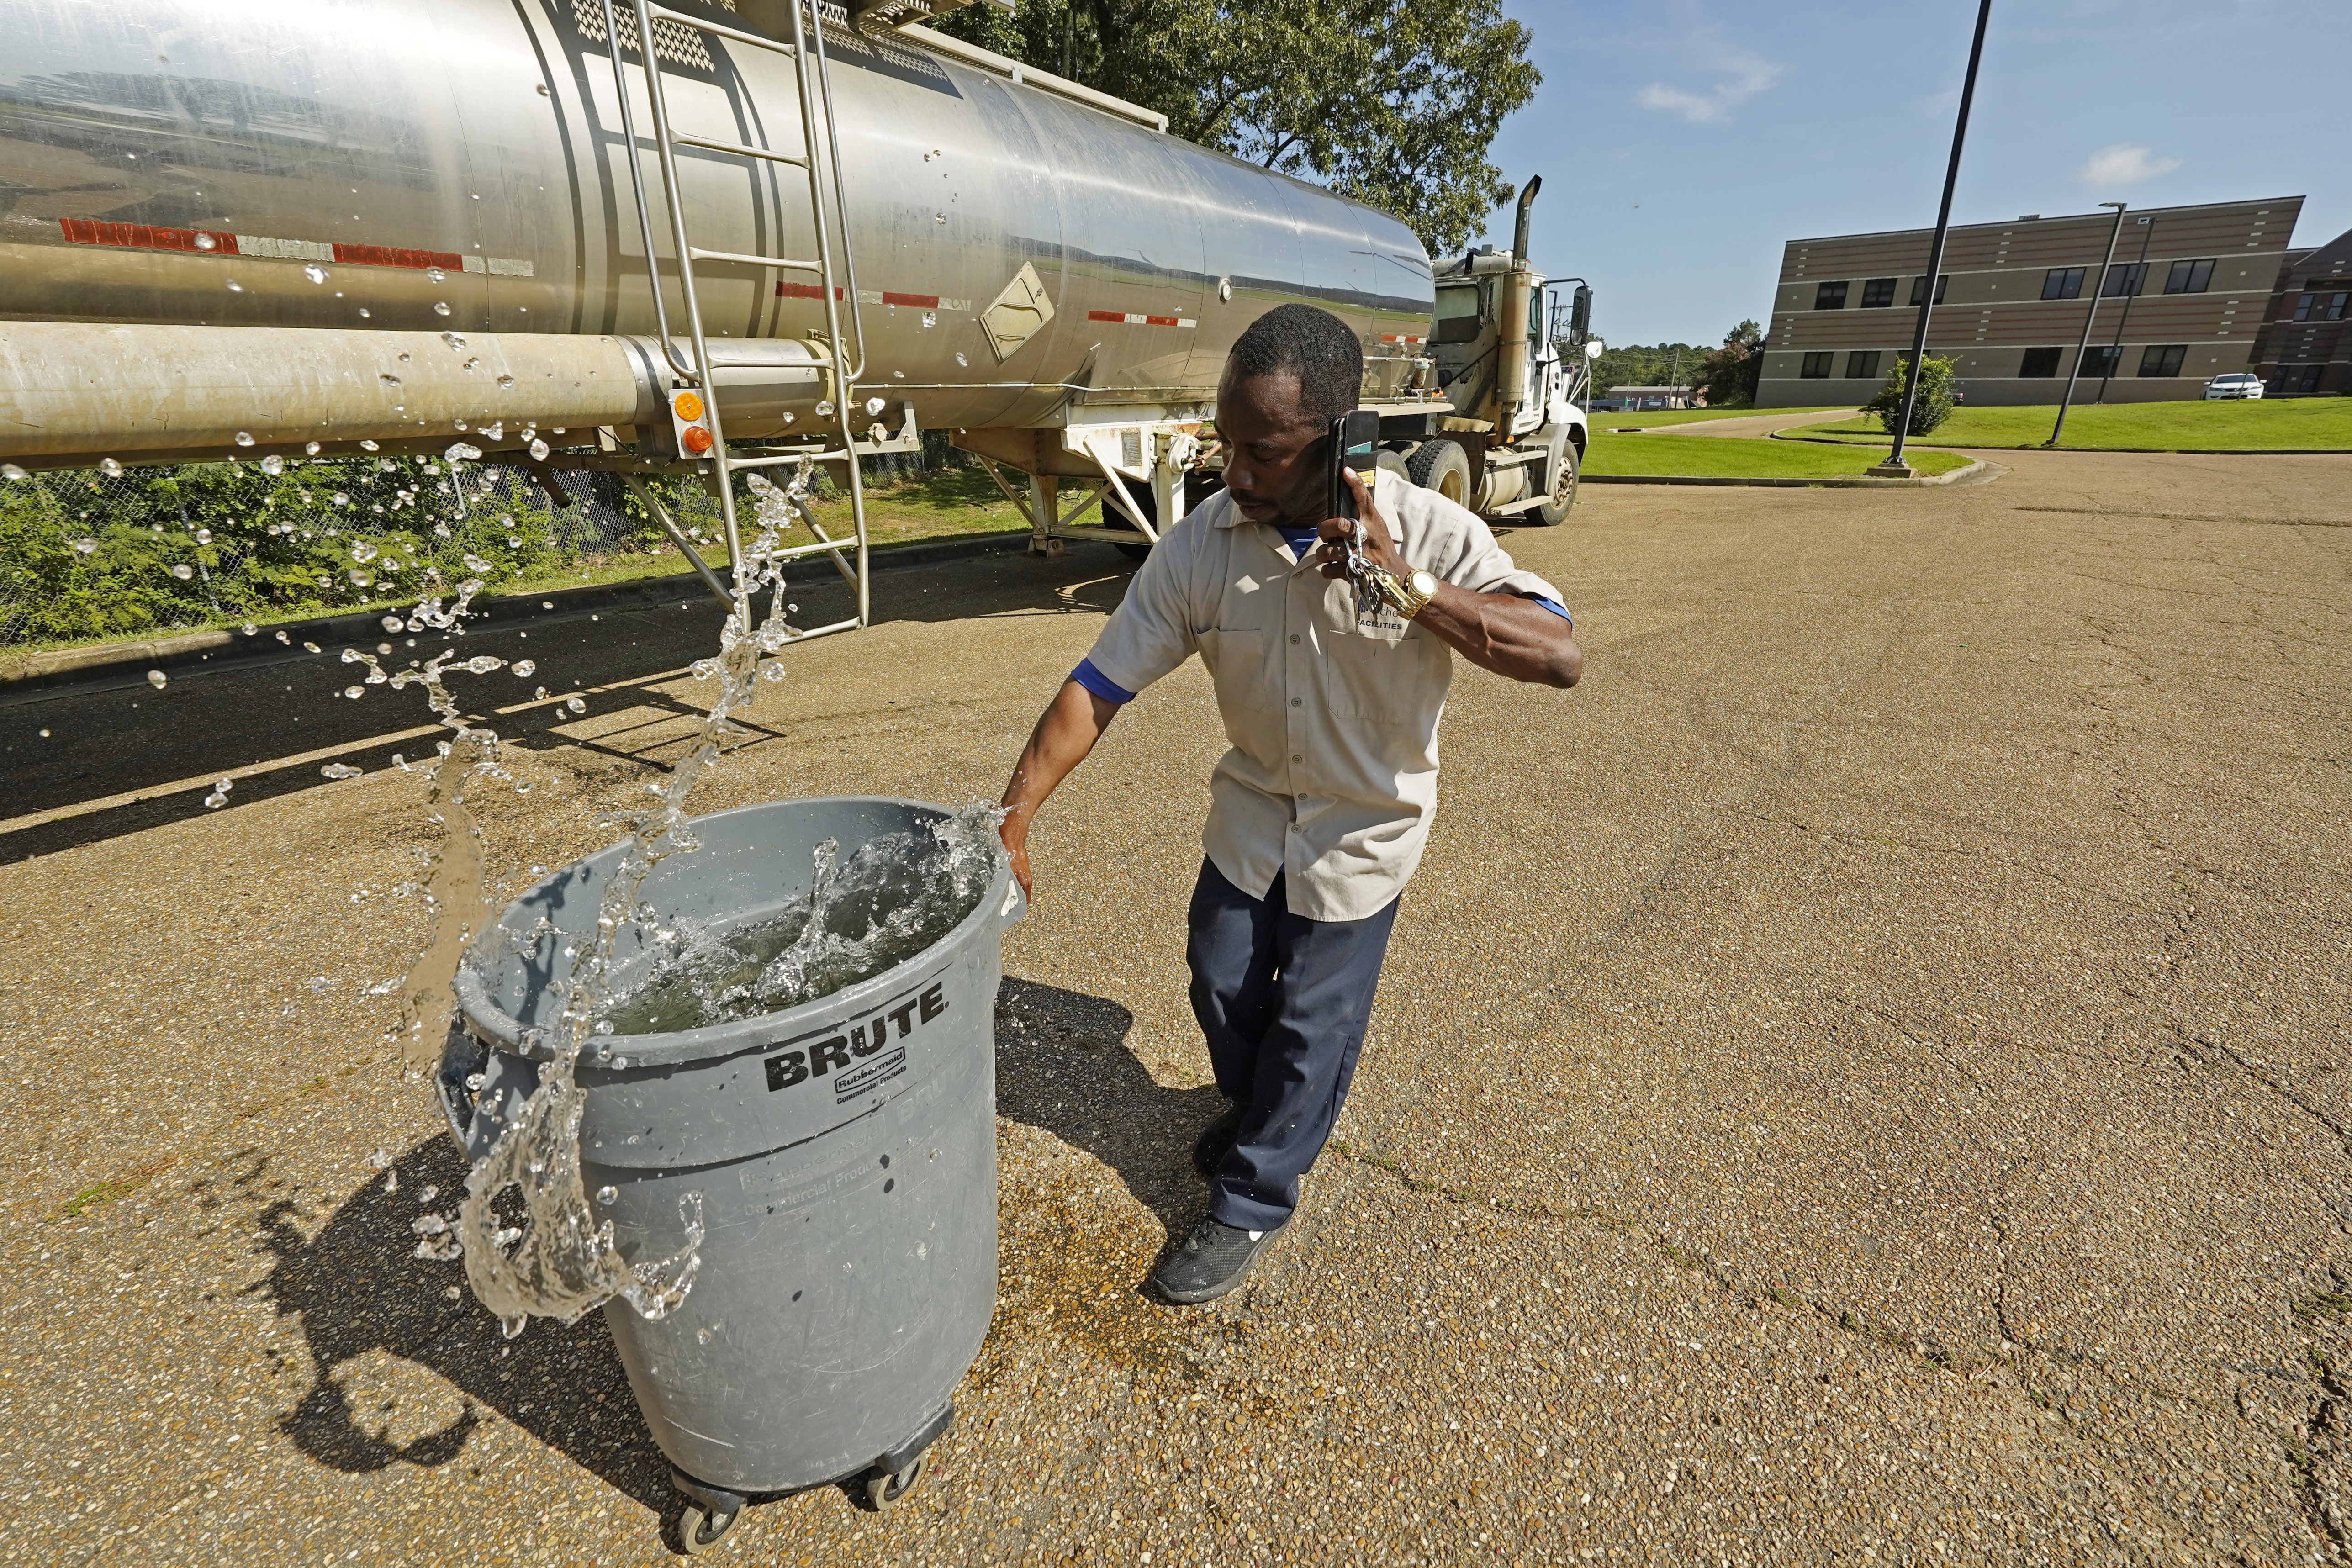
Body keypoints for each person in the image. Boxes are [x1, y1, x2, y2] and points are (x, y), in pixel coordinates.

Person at [995, 303, 1583, 1305]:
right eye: (1227, 444)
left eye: (1262, 451)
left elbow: (1558, 654)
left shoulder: (1433, 530)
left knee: (1312, 1022)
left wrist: (1411, 590)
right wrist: (1011, 820)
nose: (1236, 472)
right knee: (1220, 982)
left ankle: (1256, 1195)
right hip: (1253, 815)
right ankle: (1266, 1109)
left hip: (1364, 827)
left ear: (1342, 438)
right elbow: (1097, 687)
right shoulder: (1203, 543)